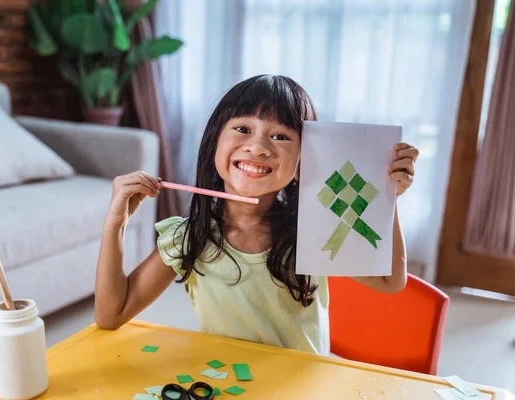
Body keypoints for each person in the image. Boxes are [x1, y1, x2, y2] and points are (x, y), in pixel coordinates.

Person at [94, 75, 419, 355]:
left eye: (280, 136)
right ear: (214, 145)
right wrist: (116, 222)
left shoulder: (314, 229)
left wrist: (386, 199)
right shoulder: (188, 237)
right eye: (243, 128)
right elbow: (111, 314)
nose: (259, 146)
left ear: (301, 165)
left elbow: (390, 282)